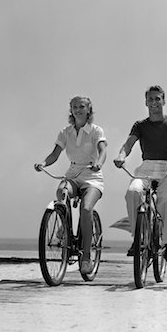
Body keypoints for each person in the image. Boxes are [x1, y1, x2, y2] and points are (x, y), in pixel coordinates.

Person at [113, 85, 167, 262]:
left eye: (157, 98)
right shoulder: (140, 125)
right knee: (133, 192)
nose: (154, 102)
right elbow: (128, 145)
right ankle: (138, 237)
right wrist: (121, 156)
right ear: (145, 102)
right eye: (150, 99)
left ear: (164, 100)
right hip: (146, 168)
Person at [34, 96, 107, 275]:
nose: (78, 110)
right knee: (61, 190)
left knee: (86, 208)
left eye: (81, 106)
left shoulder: (96, 130)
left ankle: (86, 257)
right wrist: (43, 163)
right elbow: (55, 154)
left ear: (88, 109)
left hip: (92, 176)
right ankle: (64, 225)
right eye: (74, 107)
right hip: (73, 174)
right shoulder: (65, 132)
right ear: (71, 110)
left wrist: (99, 162)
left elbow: (103, 150)